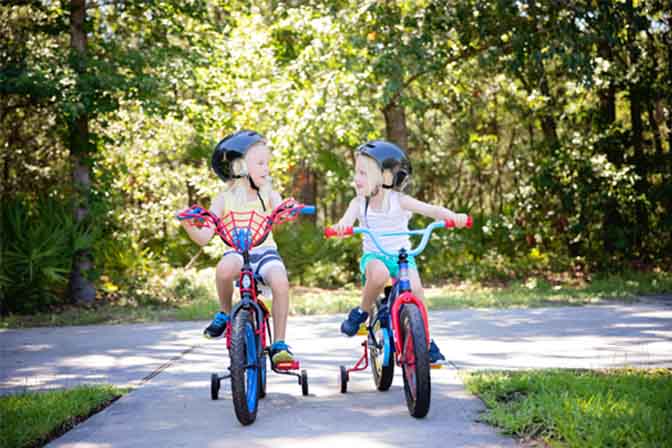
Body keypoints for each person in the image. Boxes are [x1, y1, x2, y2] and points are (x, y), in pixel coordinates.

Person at [330, 140, 469, 363]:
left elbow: (431, 209)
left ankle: (425, 339)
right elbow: (345, 221)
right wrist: (341, 228)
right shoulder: (359, 203)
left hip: (403, 257)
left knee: (416, 290)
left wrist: (453, 216)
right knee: (379, 275)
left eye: (363, 173)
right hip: (375, 257)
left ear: (385, 178)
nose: (357, 179)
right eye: (356, 172)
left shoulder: (400, 201)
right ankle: (362, 312)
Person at [178, 130, 294, 366]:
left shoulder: (269, 194)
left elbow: (282, 211)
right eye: (260, 163)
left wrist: (287, 212)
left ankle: (280, 344)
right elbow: (204, 238)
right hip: (236, 252)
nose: (266, 169)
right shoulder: (223, 199)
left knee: (281, 282)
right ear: (240, 167)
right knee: (223, 270)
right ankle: (224, 312)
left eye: (267, 163)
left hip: (265, 252)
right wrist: (189, 226)